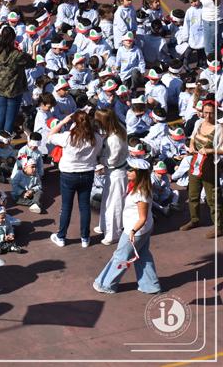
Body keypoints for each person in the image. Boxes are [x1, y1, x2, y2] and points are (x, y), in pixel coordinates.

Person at [93, 157, 161, 294]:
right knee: (143, 255)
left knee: (121, 257)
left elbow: (142, 218)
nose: (127, 171)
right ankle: (150, 286)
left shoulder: (141, 193)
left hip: (135, 230)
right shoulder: (139, 187)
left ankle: (106, 284)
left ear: (139, 173)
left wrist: (133, 231)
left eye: (131, 170)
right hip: (143, 229)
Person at [48, 110, 103, 248]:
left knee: (66, 206)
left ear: (75, 123)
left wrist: (63, 121)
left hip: (69, 174)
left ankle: (61, 237)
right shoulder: (96, 137)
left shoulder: (68, 137)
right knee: (84, 207)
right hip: (87, 174)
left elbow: (50, 136)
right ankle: (85, 238)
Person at [181, 99, 222, 238]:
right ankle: (194, 220)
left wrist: (210, 150)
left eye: (211, 113)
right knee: (193, 194)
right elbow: (193, 137)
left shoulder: (219, 128)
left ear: (216, 113)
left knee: (212, 197)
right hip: (196, 162)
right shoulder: (198, 122)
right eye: (206, 112)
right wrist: (192, 145)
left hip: (210, 164)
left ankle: (219, 227)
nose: (208, 116)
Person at [0, 26, 39, 134]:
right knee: (10, 116)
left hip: (0, 86)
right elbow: (33, 63)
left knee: (1, 113)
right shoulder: (17, 55)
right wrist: (34, 47)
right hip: (14, 88)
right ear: (13, 38)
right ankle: (6, 137)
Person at [94, 108, 128, 245]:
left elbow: (112, 160)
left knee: (114, 205)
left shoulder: (114, 139)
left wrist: (98, 159)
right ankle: (103, 226)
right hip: (114, 172)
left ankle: (113, 234)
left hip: (116, 173)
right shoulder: (119, 129)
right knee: (107, 201)